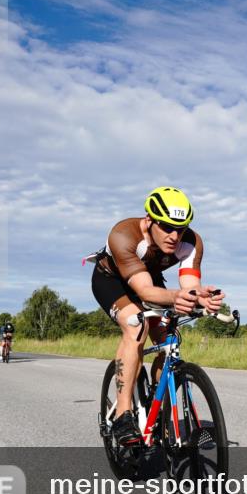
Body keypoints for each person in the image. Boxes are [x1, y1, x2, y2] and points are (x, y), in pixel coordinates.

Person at [88, 187, 224, 446]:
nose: (174, 236)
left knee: (168, 337)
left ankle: (157, 402)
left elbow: (189, 284)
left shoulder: (191, 242)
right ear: (149, 221)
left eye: (181, 228)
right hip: (113, 280)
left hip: (149, 278)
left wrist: (199, 297)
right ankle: (123, 414)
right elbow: (145, 292)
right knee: (135, 326)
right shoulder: (124, 234)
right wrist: (175, 297)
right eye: (166, 227)